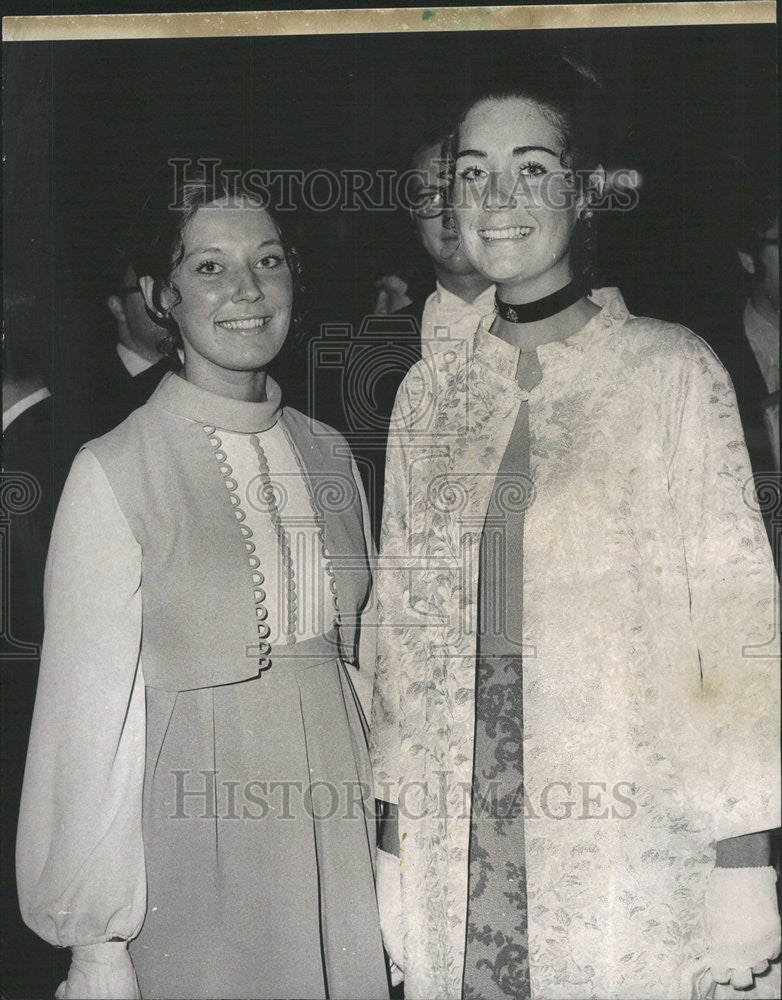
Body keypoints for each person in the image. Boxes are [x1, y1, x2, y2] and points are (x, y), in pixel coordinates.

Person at [371, 58, 781, 1000]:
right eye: (472, 171)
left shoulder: (671, 372)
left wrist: (744, 855)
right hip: (457, 832)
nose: (497, 196)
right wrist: (394, 842)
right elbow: (399, 638)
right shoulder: (426, 395)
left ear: (585, 192)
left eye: (532, 167)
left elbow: (737, 628)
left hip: (627, 828)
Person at [17, 164, 389, 1000]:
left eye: (268, 260)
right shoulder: (112, 469)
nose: (246, 289)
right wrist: (98, 940)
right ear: (161, 296)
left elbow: (367, 677)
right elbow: (85, 723)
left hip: (341, 844)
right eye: (208, 267)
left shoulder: (334, 454)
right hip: (195, 853)